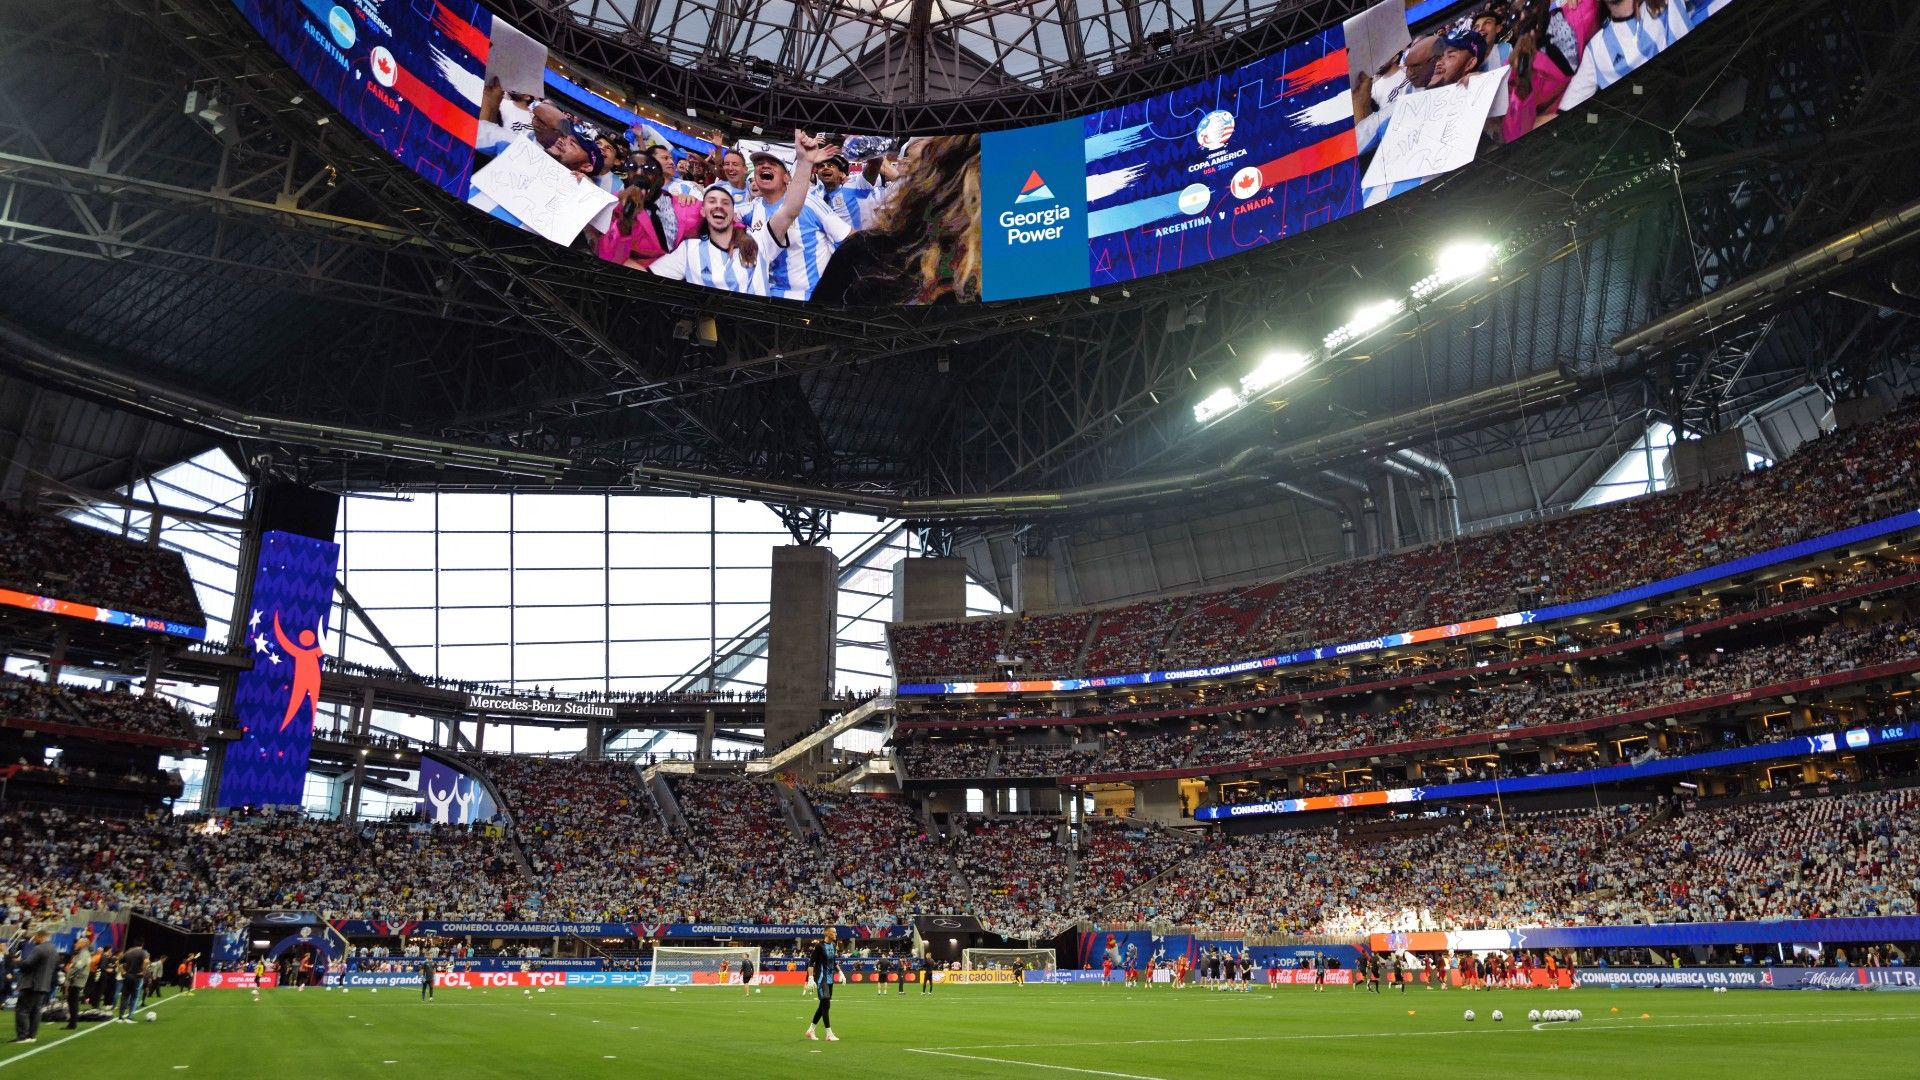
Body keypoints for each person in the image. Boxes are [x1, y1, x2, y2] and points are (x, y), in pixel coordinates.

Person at [810, 134, 982, 305]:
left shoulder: (857, 190)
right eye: (906, 160)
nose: (907, 167)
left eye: (918, 164)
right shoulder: (862, 251)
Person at [737, 147, 851, 301]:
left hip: (813, 299)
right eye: (759, 163)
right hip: (770, 298)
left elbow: (848, 238)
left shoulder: (810, 202)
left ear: (787, 177)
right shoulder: (750, 210)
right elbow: (720, 213)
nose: (764, 166)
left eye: (773, 163)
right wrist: (740, 233)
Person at [1558, 0, 1696, 112]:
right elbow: (1564, 117)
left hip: (1699, 95)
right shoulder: (1595, 51)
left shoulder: (1665, 3)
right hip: (1651, 132)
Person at [13, 931, 57, 1043]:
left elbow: (28, 964)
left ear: (40, 937)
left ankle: (23, 1036)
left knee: (22, 1010)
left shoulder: (39, 949)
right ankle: (32, 1035)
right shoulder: (53, 949)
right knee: (36, 1010)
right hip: (43, 984)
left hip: (32, 984)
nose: (34, 939)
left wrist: (18, 961)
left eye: (36, 937)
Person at [803, 929, 842, 1042]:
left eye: (836, 932)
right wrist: (810, 978)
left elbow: (834, 961)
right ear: (827, 933)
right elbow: (811, 963)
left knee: (824, 1006)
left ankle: (810, 1030)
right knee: (825, 1004)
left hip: (830, 980)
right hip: (821, 980)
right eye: (834, 932)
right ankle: (829, 1034)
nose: (836, 933)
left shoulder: (833, 945)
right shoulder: (819, 946)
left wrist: (840, 972)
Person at [62, 933, 92, 1030]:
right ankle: (72, 1022)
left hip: (77, 980)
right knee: (72, 1001)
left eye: (78, 943)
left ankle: (73, 1023)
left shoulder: (83, 954)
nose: (76, 944)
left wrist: (69, 971)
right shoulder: (83, 953)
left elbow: (78, 966)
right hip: (77, 979)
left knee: (73, 1001)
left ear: (83, 944)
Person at [116, 941, 149, 1023]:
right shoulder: (143, 952)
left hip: (127, 976)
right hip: (137, 976)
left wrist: (122, 972)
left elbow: (117, 962)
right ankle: (130, 1017)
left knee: (125, 996)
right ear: (142, 945)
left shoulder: (128, 952)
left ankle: (120, 1017)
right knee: (135, 997)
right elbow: (146, 962)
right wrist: (144, 972)